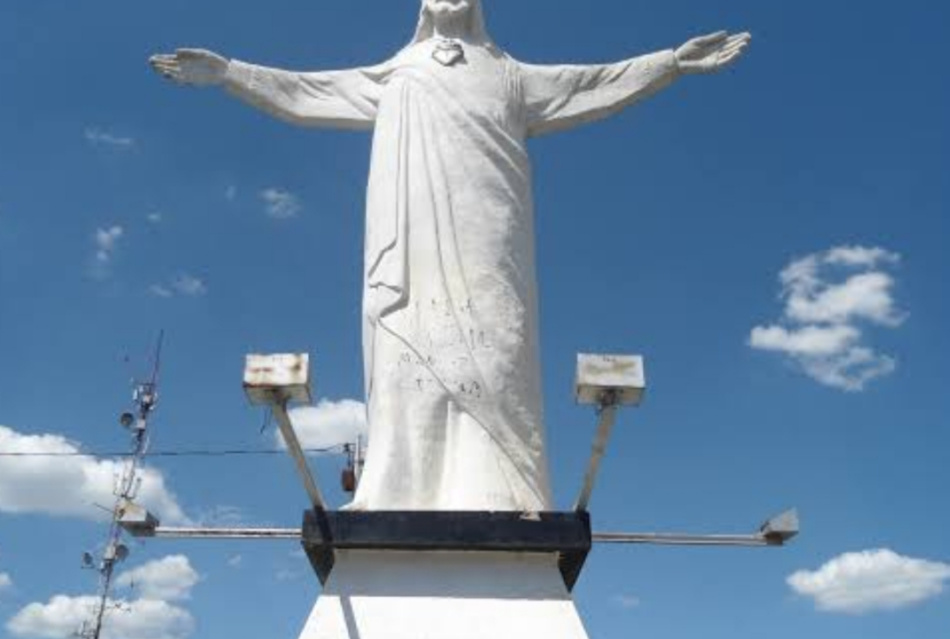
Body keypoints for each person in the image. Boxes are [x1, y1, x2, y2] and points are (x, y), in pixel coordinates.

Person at [150, 0, 750, 512]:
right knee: (404, 351)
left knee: (500, 347)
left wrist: (670, 64)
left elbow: (592, 85)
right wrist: (230, 74)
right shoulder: (397, 74)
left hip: (490, 238)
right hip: (407, 241)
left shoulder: (511, 76)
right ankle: (398, 487)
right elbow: (306, 93)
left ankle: (507, 490)